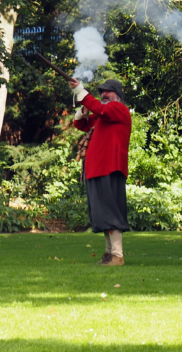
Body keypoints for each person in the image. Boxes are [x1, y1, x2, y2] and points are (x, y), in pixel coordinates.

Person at [70, 78, 132, 266]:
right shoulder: (103, 114)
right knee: (102, 213)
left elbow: (101, 109)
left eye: (109, 91)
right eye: (102, 91)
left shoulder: (118, 109)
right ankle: (110, 254)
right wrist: (83, 109)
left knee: (111, 211)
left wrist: (80, 91)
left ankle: (118, 255)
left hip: (110, 167)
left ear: (118, 95)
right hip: (97, 168)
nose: (104, 94)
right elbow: (80, 124)